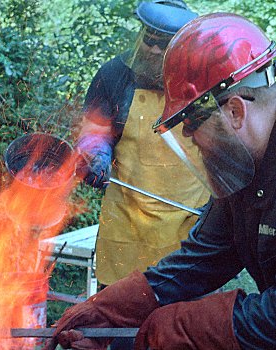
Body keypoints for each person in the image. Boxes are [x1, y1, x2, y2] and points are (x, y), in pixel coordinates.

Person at [48, 12, 276, 350]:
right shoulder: (243, 168)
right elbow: (201, 258)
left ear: (235, 112)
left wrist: (190, 325)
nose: (190, 138)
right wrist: (113, 309)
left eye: (192, 124)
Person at [76, 0, 209, 291]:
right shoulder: (114, 75)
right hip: (126, 223)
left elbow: (225, 146)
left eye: (164, 45)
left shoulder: (204, 81)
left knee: (180, 325)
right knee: (120, 319)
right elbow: (95, 129)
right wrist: (95, 153)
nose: (154, 50)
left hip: (188, 226)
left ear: (181, 47)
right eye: (149, 41)